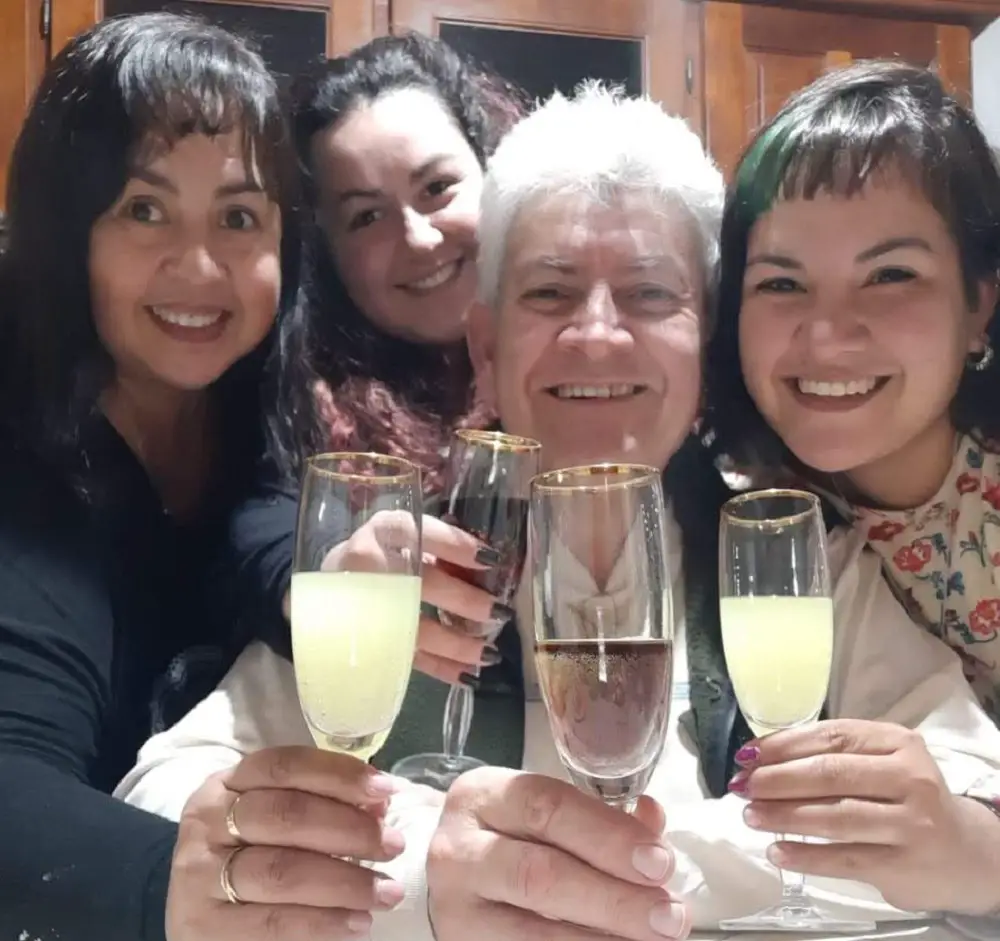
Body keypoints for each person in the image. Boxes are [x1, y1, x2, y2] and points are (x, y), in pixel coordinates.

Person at [119, 85, 1000, 940]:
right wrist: (425, 873)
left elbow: (967, 801)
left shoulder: (786, 555)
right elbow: (168, 796)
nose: (599, 335)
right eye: (549, 293)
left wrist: (536, 872)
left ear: (707, 340)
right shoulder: (410, 570)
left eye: (650, 294)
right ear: (486, 346)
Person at [0, 14, 301, 940]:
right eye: (144, 208)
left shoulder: (260, 404)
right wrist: (175, 879)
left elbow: (260, 522)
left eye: (239, 217)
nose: (200, 265)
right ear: (68, 230)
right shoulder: (23, 451)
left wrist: (323, 569)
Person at [228, 34, 528, 690]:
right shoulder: (305, 387)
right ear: (326, 251)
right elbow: (261, 521)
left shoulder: (577, 344)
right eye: (366, 217)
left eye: (438, 188)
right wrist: (328, 573)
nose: (417, 237)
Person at [707, 61, 1000, 725]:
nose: (827, 334)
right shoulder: (729, 511)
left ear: (979, 306)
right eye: (782, 283)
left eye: (890, 274)